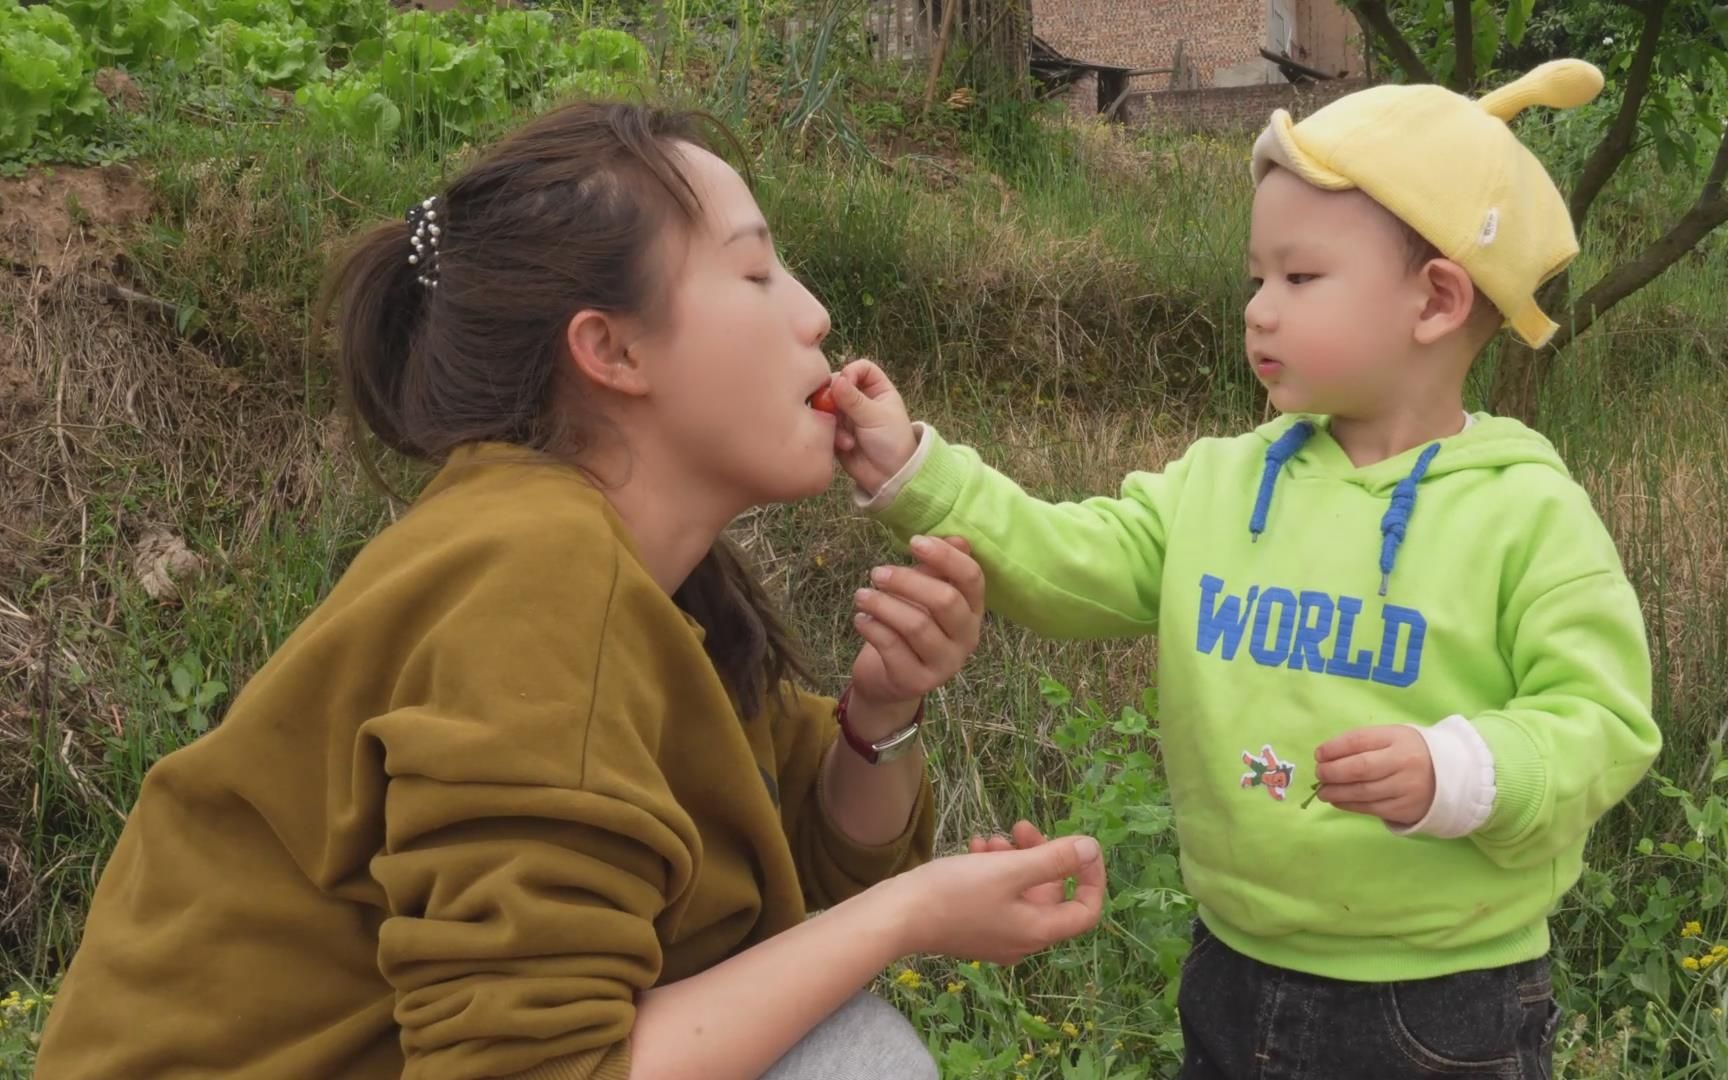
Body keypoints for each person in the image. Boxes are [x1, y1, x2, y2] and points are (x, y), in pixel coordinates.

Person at [33, 101, 1107, 1080]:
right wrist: (916, 914)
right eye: (755, 274)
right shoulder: (535, 580)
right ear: (610, 349)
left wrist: (880, 715)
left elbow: (814, 862)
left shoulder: (618, 573)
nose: (816, 315)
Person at [826, 60, 1661, 1078]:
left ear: (1437, 300)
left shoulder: (1524, 510)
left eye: (1300, 279)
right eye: (1254, 279)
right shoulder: (1221, 484)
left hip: (1439, 1002)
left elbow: (1604, 723)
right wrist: (915, 469)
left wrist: (1462, 770)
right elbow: (1065, 560)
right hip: (1232, 966)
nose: (1261, 310)